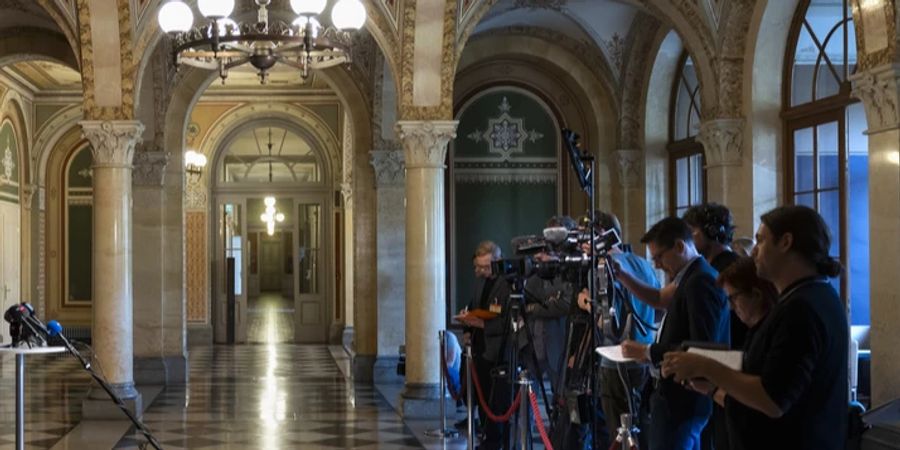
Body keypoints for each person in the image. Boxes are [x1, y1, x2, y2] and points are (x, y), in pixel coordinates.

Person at [661, 205, 848, 450]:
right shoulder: (811, 297)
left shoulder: (801, 308)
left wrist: (704, 365)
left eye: (761, 240)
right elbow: (762, 372)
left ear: (786, 242)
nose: (754, 251)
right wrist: (712, 384)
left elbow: (772, 399)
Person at [617, 217, 730, 450]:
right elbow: (659, 299)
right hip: (677, 395)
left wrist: (648, 351)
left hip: (684, 398)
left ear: (679, 247)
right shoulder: (689, 276)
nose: (657, 265)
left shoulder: (700, 280)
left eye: (659, 256)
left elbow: (703, 349)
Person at [575, 211, 660, 442]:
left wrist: (584, 302)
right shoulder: (643, 263)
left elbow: (607, 324)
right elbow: (657, 306)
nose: (582, 244)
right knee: (641, 428)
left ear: (601, 235)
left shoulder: (604, 268)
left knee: (618, 434)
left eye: (586, 238)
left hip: (616, 361)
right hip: (645, 356)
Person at [687, 257, 777, 450]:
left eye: (733, 298)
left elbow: (758, 403)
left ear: (756, 294)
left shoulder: (773, 331)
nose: (731, 307)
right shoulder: (755, 330)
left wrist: (708, 373)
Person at [682, 203, 744, 450]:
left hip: (729, 364)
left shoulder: (722, 269)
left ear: (713, 231)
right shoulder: (712, 266)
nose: (688, 240)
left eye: (692, 233)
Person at [455, 241, 512, 450]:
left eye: (485, 267)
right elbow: (473, 307)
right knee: (481, 397)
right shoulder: (480, 282)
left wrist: (480, 323)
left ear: (497, 262)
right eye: (478, 267)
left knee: (496, 400)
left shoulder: (506, 284)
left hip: (498, 352)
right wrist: (468, 329)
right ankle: (487, 437)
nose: (479, 271)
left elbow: (507, 320)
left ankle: (496, 441)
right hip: (479, 349)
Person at [522, 216, 576, 396]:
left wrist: (535, 309)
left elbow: (565, 304)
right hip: (535, 344)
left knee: (562, 398)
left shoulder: (572, 269)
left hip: (560, 345)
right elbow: (526, 299)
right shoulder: (538, 270)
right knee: (528, 398)